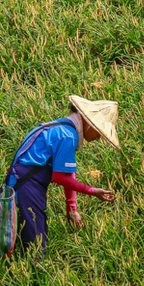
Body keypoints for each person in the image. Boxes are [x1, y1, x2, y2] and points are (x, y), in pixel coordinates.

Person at [9, 95, 121, 260]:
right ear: (89, 122)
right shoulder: (68, 135)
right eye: (99, 131)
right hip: (27, 184)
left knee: (27, 235)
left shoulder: (64, 128)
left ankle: (20, 270)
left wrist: (72, 209)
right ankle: (30, 277)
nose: (99, 138)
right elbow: (60, 177)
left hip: (23, 182)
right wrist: (92, 191)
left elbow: (68, 173)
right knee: (35, 245)